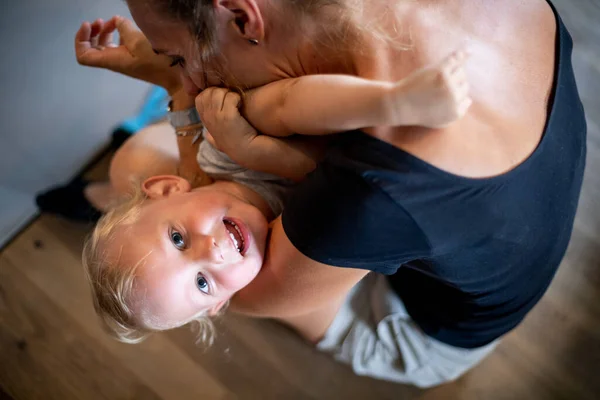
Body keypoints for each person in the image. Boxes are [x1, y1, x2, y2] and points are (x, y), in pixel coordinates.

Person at [78, 0, 586, 388]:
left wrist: (182, 99)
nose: (212, 250)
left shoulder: (362, 195)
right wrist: (179, 91)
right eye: (204, 282)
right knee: (157, 214)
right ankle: (116, 209)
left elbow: (256, 283)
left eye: (182, 56)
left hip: (418, 330)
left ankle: (111, 203)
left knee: (135, 167)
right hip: (425, 253)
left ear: (241, 17)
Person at [81, 25, 470, 342]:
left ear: (170, 188)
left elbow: (285, 109)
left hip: (390, 265)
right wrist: (255, 150)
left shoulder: (218, 149)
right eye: (202, 283)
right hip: (393, 334)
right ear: (219, 305)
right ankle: (95, 199)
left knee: (265, 111)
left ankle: (95, 197)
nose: (212, 252)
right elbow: (346, 174)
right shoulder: (276, 260)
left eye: (179, 239)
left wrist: (176, 79)